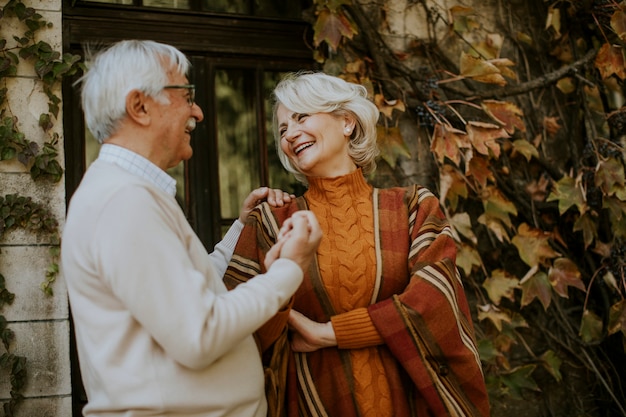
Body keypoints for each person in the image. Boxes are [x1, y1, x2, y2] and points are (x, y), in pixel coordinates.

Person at [61, 40, 322, 417]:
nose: (197, 111)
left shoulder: (128, 192)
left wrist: (239, 228)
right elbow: (200, 334)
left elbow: (184, 295)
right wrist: (289, 269)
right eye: (187, 95)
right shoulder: (123, 201)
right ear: (140, 106)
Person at [224, 71, 490, 417]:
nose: (290, 133)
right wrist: (280, 288)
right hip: (314, 399)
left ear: (347, 122)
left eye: (301, 116)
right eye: (282, 129)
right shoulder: (273, 221)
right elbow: (238, 325)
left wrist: (329, 333)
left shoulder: (411, 207)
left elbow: (434, 302)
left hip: (408, 400)